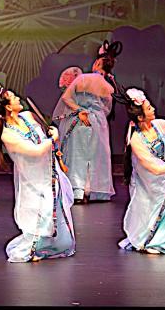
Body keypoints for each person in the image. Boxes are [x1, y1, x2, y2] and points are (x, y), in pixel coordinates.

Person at [0, 81, 76, 262]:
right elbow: (35, 151)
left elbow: (43, 135)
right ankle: (32, 248)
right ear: (8, 107)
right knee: (40, 211)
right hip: (32, 178)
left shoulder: (28, 116)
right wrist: (53, 139)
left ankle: (52, 244)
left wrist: (51, 136)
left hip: (49, 172)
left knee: (54, 206)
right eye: (13, 97)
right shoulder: (8, 135)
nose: (18, 98)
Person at [115, 87, 165, 254]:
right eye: (149, 108)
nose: (153, 109)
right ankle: (150, 240)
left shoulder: (162, 125)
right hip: (149, 179)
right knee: (148, 208)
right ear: (140, 117)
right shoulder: (136, 140)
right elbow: (154, 168)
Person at [52, 40, 122, 203]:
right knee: (97, 155)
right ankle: (96, 191)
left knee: (78, 154)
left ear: (97, 63)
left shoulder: (83, 79)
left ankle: (78, 190)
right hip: (98, 123)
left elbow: (66, 98)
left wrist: (80, 110)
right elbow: (106, 109)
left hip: (81, 120)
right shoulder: (109, 87)